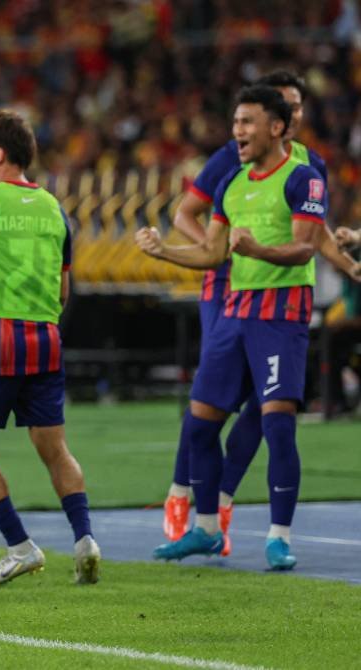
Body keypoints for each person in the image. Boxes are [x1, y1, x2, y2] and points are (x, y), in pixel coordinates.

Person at [161, 70, 361, 554]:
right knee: (203, 417)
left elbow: (309, 238)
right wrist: (167, 251)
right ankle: (190, 506)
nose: (292, 116)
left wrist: (348, 263)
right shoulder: (230, 169)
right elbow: (196, 226)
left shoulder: (307, 170)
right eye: (285, 107)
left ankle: (265, 530)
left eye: (295, 108)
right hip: (228, 302)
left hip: (280, 308)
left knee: (271, 415)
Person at [0, 110, 101, 586]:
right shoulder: (56, 209)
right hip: (46, 339)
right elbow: (65, 291)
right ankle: (85, 539)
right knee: (54, 448)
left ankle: (19, 546)